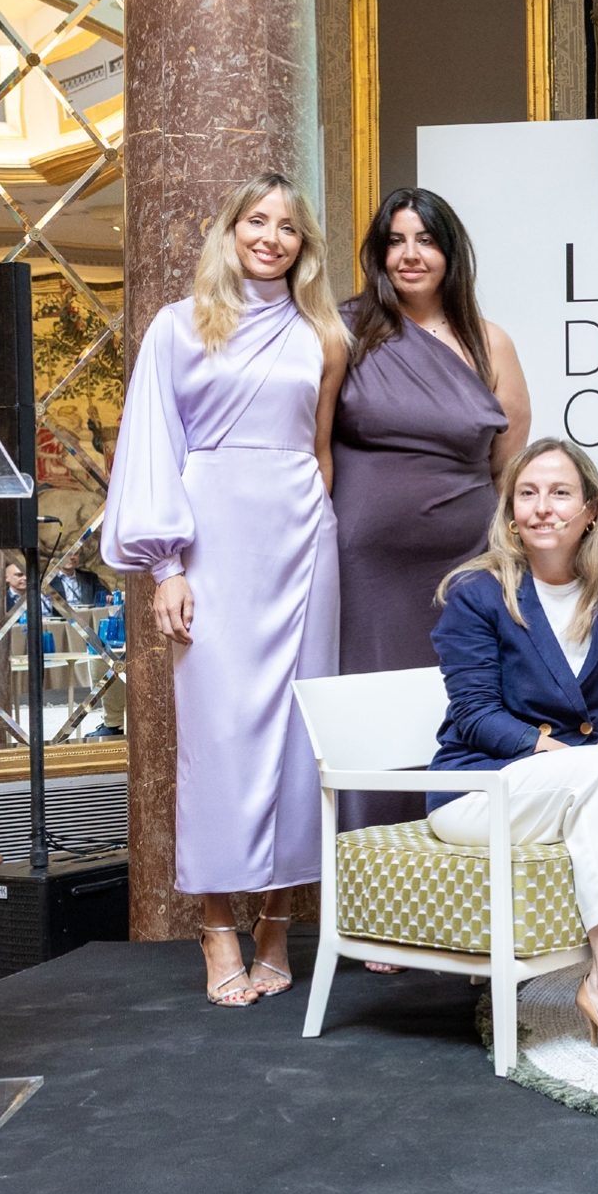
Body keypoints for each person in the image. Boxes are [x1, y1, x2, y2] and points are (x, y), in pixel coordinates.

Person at [103, 172, 348, 1008]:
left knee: (298, 736)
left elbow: (321, 452)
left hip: (302, 544)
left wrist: (318, 528)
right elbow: (152, 447)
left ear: (303, 244)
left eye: (288, 226)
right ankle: (215, 925)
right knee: (214, 735)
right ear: (230, 229)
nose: (271, 237)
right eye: (257, 220)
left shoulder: (323, 333)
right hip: (210, 542)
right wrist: (165, 566)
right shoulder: (178, 327)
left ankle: (277, 922)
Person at [428, 438, 598, 1059]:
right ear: (510, 511)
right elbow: (475, 716)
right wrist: (574, 755)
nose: (542, 507)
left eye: (560, 493)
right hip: (482, 788)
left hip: (574, 783)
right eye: (527, 493)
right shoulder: (477, 591)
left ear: (590, 511)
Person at [331, 186, 531, 841]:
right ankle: (373, 873)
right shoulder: (344, 330)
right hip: (367, 566)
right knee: (373, 710)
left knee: (462, 697)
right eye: (395, 240)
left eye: (425, 240)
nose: (410, 254)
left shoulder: (490, 342)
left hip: (465, 563)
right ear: (378, 252)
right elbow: (310, 441)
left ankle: (462, 859)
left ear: (450, 252)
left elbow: (506, 466)